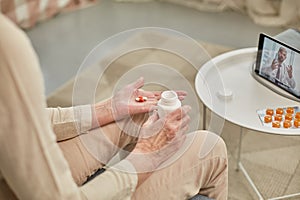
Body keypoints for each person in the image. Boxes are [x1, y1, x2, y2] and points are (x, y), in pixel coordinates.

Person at [0, 13, 228, 200]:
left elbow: (29, 122)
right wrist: (146, 156)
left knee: (132, 118)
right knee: (212, 149)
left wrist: (109, 109)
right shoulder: (7, 45)